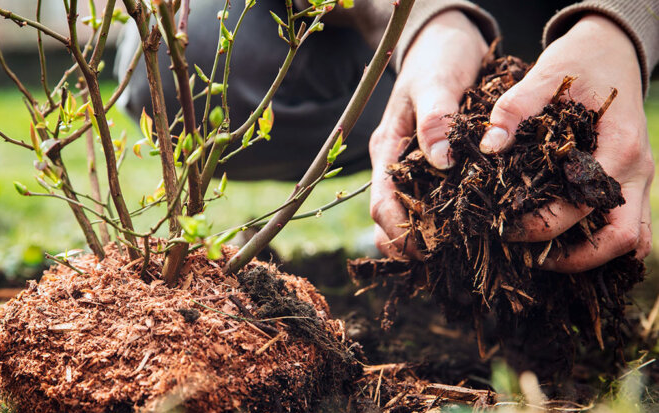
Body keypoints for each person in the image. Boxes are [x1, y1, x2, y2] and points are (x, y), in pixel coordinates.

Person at [116, 0, 658, 271]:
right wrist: (426, 20)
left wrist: (621, 25)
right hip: (390, 25)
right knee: (173, 56)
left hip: (554, 14)